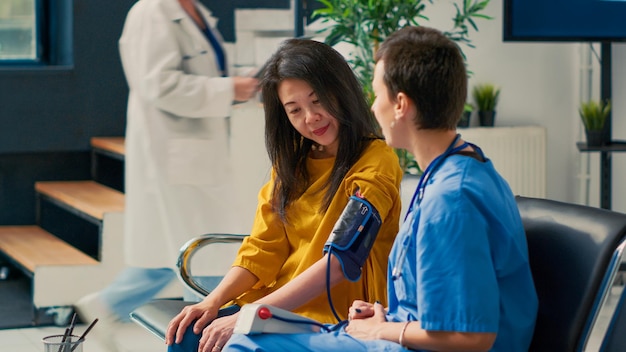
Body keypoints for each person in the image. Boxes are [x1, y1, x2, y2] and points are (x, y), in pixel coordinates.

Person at [225, 26, 539, 352]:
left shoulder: (450, 200)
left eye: (377, 95)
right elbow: (433, 306)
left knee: (245, 346)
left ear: (400, 104)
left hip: (406, 345)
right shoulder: (455, 172)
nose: (373, 108)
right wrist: (385, 318)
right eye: (294, 110)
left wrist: (383, 331)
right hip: (398, 332)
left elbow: (472, 337)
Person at [164, 38, 403, 352]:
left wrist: (252, 314)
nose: (310, 117)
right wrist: (213, 301)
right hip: (274, 309)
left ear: (341, 90)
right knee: (186, 337)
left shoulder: (376, 161)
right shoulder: (292, 163)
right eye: (295, 110)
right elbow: (263, 248)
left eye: (317, 101)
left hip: (334, 318)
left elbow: (340, 262)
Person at [74, 0, 259, 350]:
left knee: (174, 251)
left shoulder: (197, 12)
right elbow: (157, 85)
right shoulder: (151, 12)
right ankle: (207, 334)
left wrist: (236, 85)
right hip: (173, 152)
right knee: (203, 251)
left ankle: (106, 305)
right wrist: (227, 89)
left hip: (195, 152)